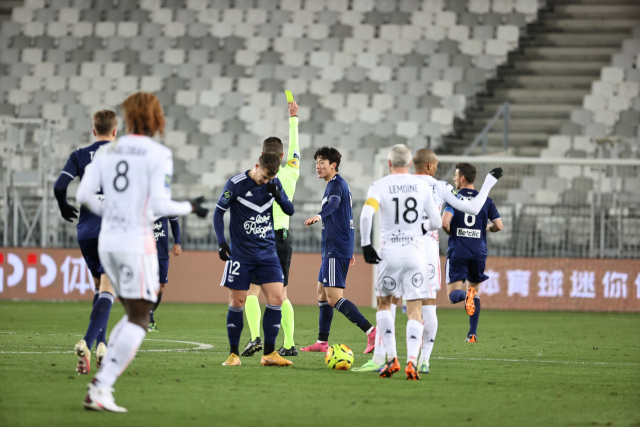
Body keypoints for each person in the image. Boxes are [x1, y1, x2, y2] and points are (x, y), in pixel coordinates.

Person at [76, 92, 208, 412]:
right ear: (155, 117)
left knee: (136, 313)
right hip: (135, 243)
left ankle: (101, 384)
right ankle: (101, 387)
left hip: (107, 242)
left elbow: (83, 193)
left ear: (128, 117)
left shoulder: (106, 151)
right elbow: (161, 205)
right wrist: (191, 206)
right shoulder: (158, 153)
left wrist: (111, 214)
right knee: (140, 318)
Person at [355, 150, 503, 373]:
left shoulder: (390, 183)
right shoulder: (437, 187)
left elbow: (368, 214)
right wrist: (489, 183)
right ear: (431, 165)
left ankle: (382, 357)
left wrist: (367, 244)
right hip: (427, 249)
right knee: (426, 307)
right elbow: (471, 208)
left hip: (397, 245)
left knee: (388, 302)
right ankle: (422, 360)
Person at [357, 144, 443, 380]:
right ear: (408, 164)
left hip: (390, 253)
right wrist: (420, 228)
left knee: (384, 304)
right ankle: (412, 362)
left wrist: (366, 244)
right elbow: (436, 221)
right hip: (416, 254)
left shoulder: (380, 185)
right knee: (415, 309)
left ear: (389, 164)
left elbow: (366, 215)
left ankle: (391, 358)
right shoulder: (422, 186)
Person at [214, 153, 295, 367]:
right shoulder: (236, 183)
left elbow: (290, 210)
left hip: (268, 254)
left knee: (277, 298)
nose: (266, 181)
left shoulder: (274, 183)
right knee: (237, 301)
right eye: (265, 177)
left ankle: (269, 353)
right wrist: (222, 242)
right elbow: (218, 212)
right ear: (257, 166)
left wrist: (277, 194)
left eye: (271, 178)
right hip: (241, 255)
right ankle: (233, 354)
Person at [53, 110, 118, 375]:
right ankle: (89, 343)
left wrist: (63, 206)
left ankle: (102, 344)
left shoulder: (79, 155)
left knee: (99, 286)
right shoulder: (123, 156)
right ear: (115, 131)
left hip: (87, 232)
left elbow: (59, 187)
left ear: (94, 131)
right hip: (113, 231)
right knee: (109, 289)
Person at [301, 147, 376, 354]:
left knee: (333, 297)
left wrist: (319, 215)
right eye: (316, 162)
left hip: (335, 248)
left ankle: (371, 332)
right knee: (321, 293)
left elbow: (334, 206)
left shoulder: (336, 185)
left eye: (322, 162)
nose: (318, 166)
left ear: (333, 165)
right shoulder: (335, 184)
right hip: (334, 248)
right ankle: (322, 342)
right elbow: (346, 217)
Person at [242, 100, 300, 358]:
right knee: (282, 293)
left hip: (262, 238)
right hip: (284, 239)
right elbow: (296, 149)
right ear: (283, 155)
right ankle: (289, 343)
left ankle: (255, 337)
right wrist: (293, 119)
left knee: (251, 292)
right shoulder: (292, 172)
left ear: (263, 154)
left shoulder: (259, 179)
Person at [442, 162, 503, 343]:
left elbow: (445, 223)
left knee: (453, 295)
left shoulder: (453, 198)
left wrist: (452, 233)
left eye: (455, 175)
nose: (453, 179)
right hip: (478, 252)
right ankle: (472, 334)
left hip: (458, 251)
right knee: (474, 291)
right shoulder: (486, 200)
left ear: (462, 178)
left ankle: (465, 296)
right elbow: (499, 226)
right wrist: (487, 228)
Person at [148, 216, 181, 332]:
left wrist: (177, 242)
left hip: (162, 255)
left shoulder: (164, 203)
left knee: (161, 288)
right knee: (149, 286)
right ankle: (149, 319)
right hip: (146, 254)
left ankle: (147, 315)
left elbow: (174, 223)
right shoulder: (143, 202)